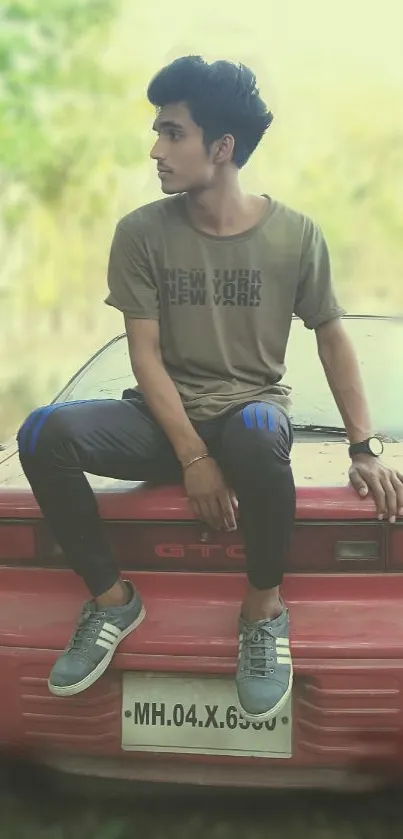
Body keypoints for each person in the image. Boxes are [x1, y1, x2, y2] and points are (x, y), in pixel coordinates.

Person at [17, 56, 403, 722]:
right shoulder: (141, 233)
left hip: (248, 415)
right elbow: (144, 358)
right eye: (157, 133)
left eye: (172, 133)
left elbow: (331, 336)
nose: (155, 150)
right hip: (163, 422)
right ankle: (112, 600)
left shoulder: (294, 236)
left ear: (220, 148)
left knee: (255, 437)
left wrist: (362, 445)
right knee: (40, 432)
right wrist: (193, 459)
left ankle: (261, 611)